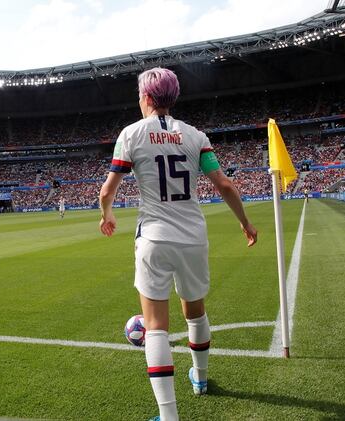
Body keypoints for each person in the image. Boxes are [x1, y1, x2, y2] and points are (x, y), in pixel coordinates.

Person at [98, 67, 258, 421]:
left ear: (147, 97)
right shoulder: (196, 136)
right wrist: (245, 223)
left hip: (154, 238)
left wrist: (107, 214)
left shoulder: (131, 134)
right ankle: (200, 379)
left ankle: (169, 416)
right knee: (195, 312)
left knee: (155, 326)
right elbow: (225, 185)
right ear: (173, 97)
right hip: (192, 238)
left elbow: (108, 189)